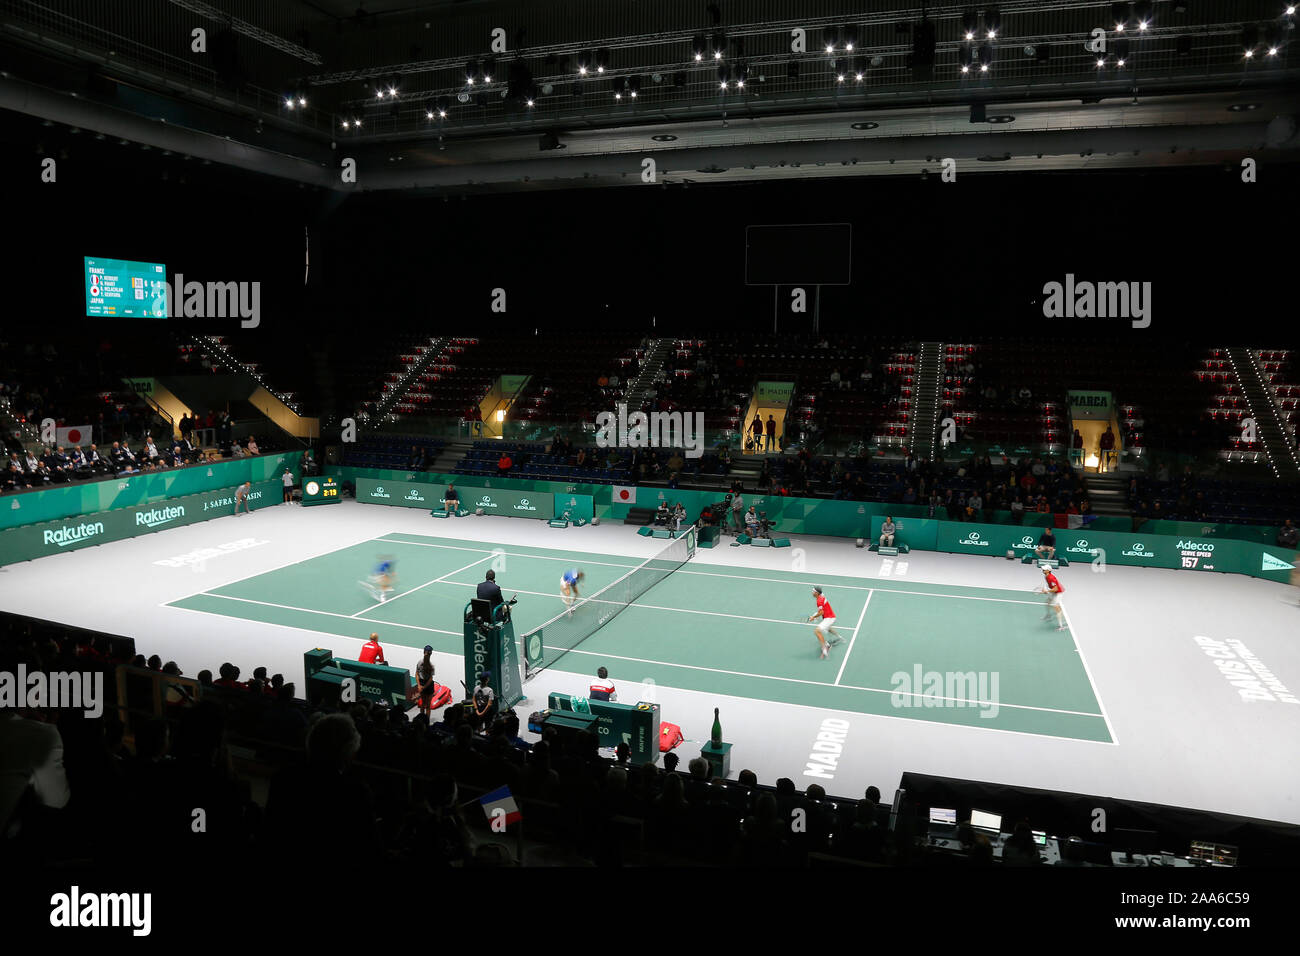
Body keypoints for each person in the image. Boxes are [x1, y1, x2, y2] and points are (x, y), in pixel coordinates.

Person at [807, 586, 842, 659]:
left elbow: (821, 612)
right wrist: (815, 615)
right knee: (828, 628)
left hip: (829, 618)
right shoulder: (821, 596)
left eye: (813, 591)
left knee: (817, 631)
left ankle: (825, 647)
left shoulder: (819, 601)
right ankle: (839, 637)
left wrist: (813, 617)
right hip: (830, 616)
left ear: (816, 593)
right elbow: (822, 610)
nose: (812, 593)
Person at [1037, 566, 1066, 631]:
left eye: (1044, 569)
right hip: (1054, 592)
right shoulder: (1046, 576)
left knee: (1056, 607)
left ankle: (1061, 626)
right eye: (1043, 569)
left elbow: (1056, 588)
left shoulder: (1051, 578)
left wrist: (1046, 591)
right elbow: (1050, 586)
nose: (1042, 570)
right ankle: (1048, 615)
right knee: (1047, 602)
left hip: (1059, 593)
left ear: (1048, 570)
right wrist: (1045, 589)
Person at [415, 645, 437, 718]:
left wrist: (419, 686)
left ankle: (422, 719)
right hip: (428, 685)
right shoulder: (432, 666)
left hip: (422, 684)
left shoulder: (419, 662)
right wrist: (421, 686)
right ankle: (426, 721)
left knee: (423, 704)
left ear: (423, 652)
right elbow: (430, 679)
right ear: (431, 653)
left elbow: (416, 674)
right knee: (428, 705)